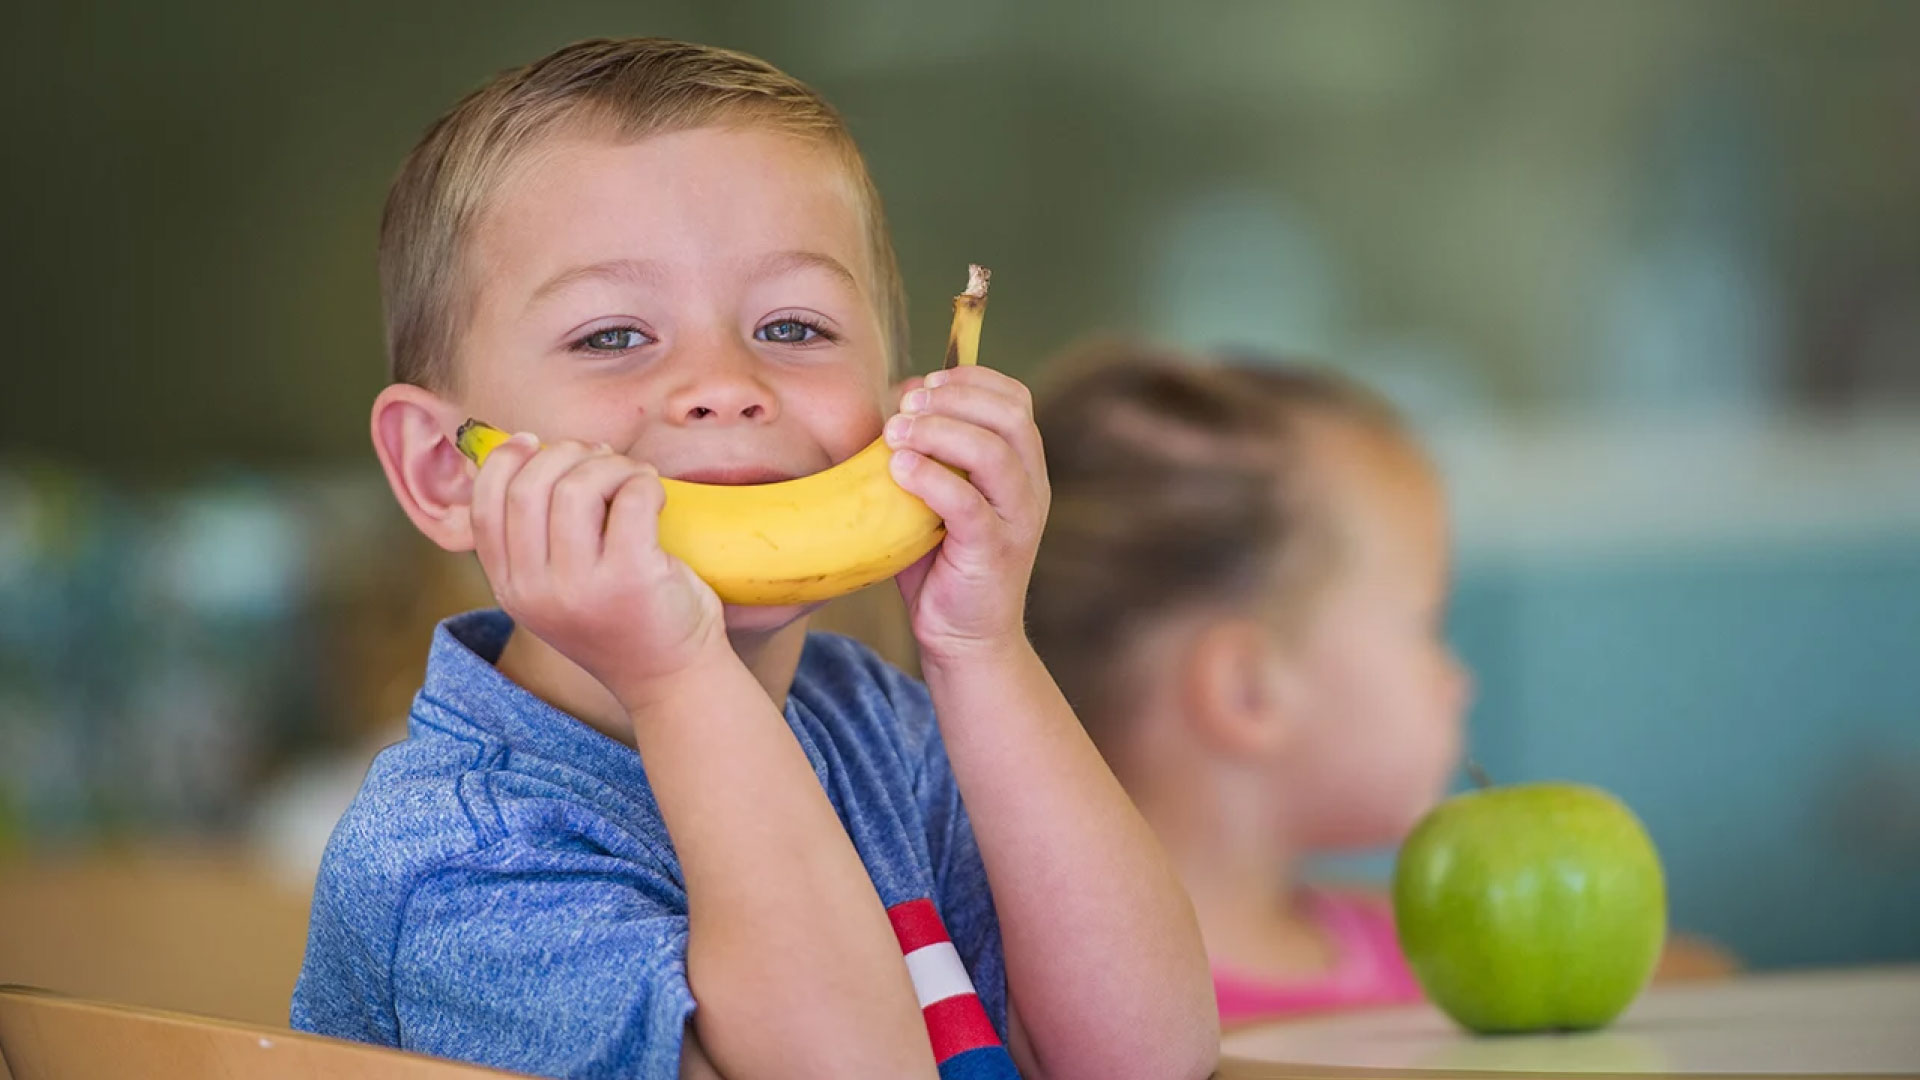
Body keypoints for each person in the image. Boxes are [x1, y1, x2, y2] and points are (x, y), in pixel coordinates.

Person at [291, 39, 1216, 1080]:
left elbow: (1144, 1057)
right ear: (444, 469)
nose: (722, 383)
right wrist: (674, 674)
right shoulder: (459, 859)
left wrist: (980, 645)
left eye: (792, 324)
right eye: (611, 336)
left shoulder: (875, 725)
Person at [1026, 342, 1733, 1029]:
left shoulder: (1425, 953)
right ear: (1250, 690)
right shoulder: (1082, 1030)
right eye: (1426, 625)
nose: (1460, 679)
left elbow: (1709, 978)